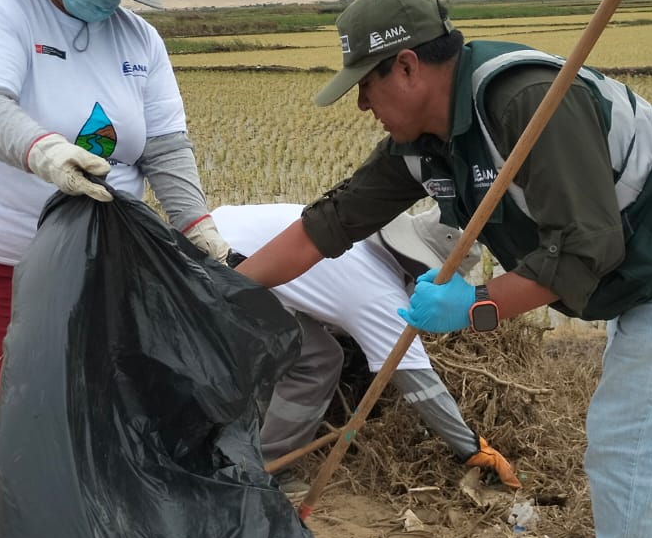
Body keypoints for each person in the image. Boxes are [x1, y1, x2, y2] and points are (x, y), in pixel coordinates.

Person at [238, 0, 652, 538]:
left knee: (627, 435)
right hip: (643, 255)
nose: (363, 104)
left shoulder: (522, 102)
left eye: (366, 85)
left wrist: (477, 307)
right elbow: (329, 224)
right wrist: (225, 287)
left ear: (406, 66)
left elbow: (586, 249)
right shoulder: (424, 141)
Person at [0, 0, 231, 519]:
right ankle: (6, 527)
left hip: (103, 249)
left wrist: (196, 223)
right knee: (6, 385)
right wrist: (43, 150)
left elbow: (165, 146)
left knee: (105, 380)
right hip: (0, 247)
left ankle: (94, 512)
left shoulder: (139, 40)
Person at [213, 202, 520, 492]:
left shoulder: (353, 238)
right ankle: (265, 467)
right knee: (317, 363)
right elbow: (421, 386)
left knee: (303, 344)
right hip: (220, 273)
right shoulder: (379, 297)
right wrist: (472, 448)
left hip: (207, 235)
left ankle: (253, 435)